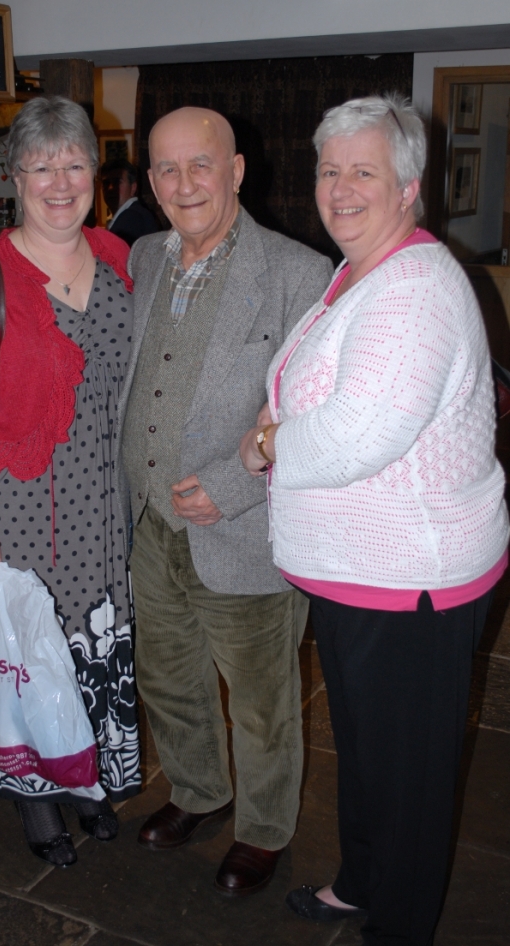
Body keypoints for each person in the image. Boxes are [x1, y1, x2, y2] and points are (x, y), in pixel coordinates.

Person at [239, 94, 510, 944]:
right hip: (360, 573)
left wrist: (267, 445)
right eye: (330, 170)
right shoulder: (360, 270)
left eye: (364, 171)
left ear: (408, 187)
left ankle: (398, 925)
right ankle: (362, 883)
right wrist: (279, 422)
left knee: (408, 781)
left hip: (411, 580)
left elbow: (359, 433)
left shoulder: (415, 288)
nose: (341, 188)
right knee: (368, 755)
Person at [116, 106, 333, 895]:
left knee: (263, 702)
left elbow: (315, 411)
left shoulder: (300, 273)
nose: (184, 184)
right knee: (168, 678)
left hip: (243, 529)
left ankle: (265, 830)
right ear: (150, 182)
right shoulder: (143, 256)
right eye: (167, 169)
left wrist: (236, 485)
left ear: (236, 170)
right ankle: (199, 791)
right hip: (149, 523)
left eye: (200, 164)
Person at [0, 95, 138, 868]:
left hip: (104, 504)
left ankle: (86, 780)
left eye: (74, 164)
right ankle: (37, 799)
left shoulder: (119, 260)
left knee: (91, 649)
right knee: (27, 654)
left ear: (95, 174)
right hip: (19, 508)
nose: (60, 182)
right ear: (13, 176)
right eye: (41, 166)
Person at [101, 159, 161, 246]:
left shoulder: (132, 217)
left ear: (133, 187)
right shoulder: (135, 213)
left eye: (117, 182)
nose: (110, 188)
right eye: (106, 183)